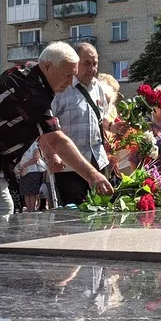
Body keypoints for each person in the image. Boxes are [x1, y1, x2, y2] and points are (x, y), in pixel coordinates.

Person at [0, 42, 113, 218]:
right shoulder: (31, 91)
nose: (71, 82)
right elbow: (56, 139)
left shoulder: (30, 74)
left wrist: (49, 155)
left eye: (73, 75)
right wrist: (93, 175)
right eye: (67, 75)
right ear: (48, 67)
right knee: (0, 216)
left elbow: (36, 129)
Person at [51, 43, 110, 206]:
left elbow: (101, 117)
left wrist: (112, 127)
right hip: (71, 167)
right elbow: (47, 126)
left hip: (99, 162)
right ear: (75, 63)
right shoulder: (61, 88)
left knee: (103, 212)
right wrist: (53, 155)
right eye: (87, 63)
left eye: (95, 63)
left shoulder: (98, 87)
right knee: (76, 220)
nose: (92, 68)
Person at [15, 141, 45, 212]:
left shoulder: (34, 145)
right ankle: (28, 209)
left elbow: (36, 158)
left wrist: (25, 165)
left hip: (32, 171)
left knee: (32, 192)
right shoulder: (22, 145)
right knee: (26, 192)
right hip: (23, 172)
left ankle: (32, 209)